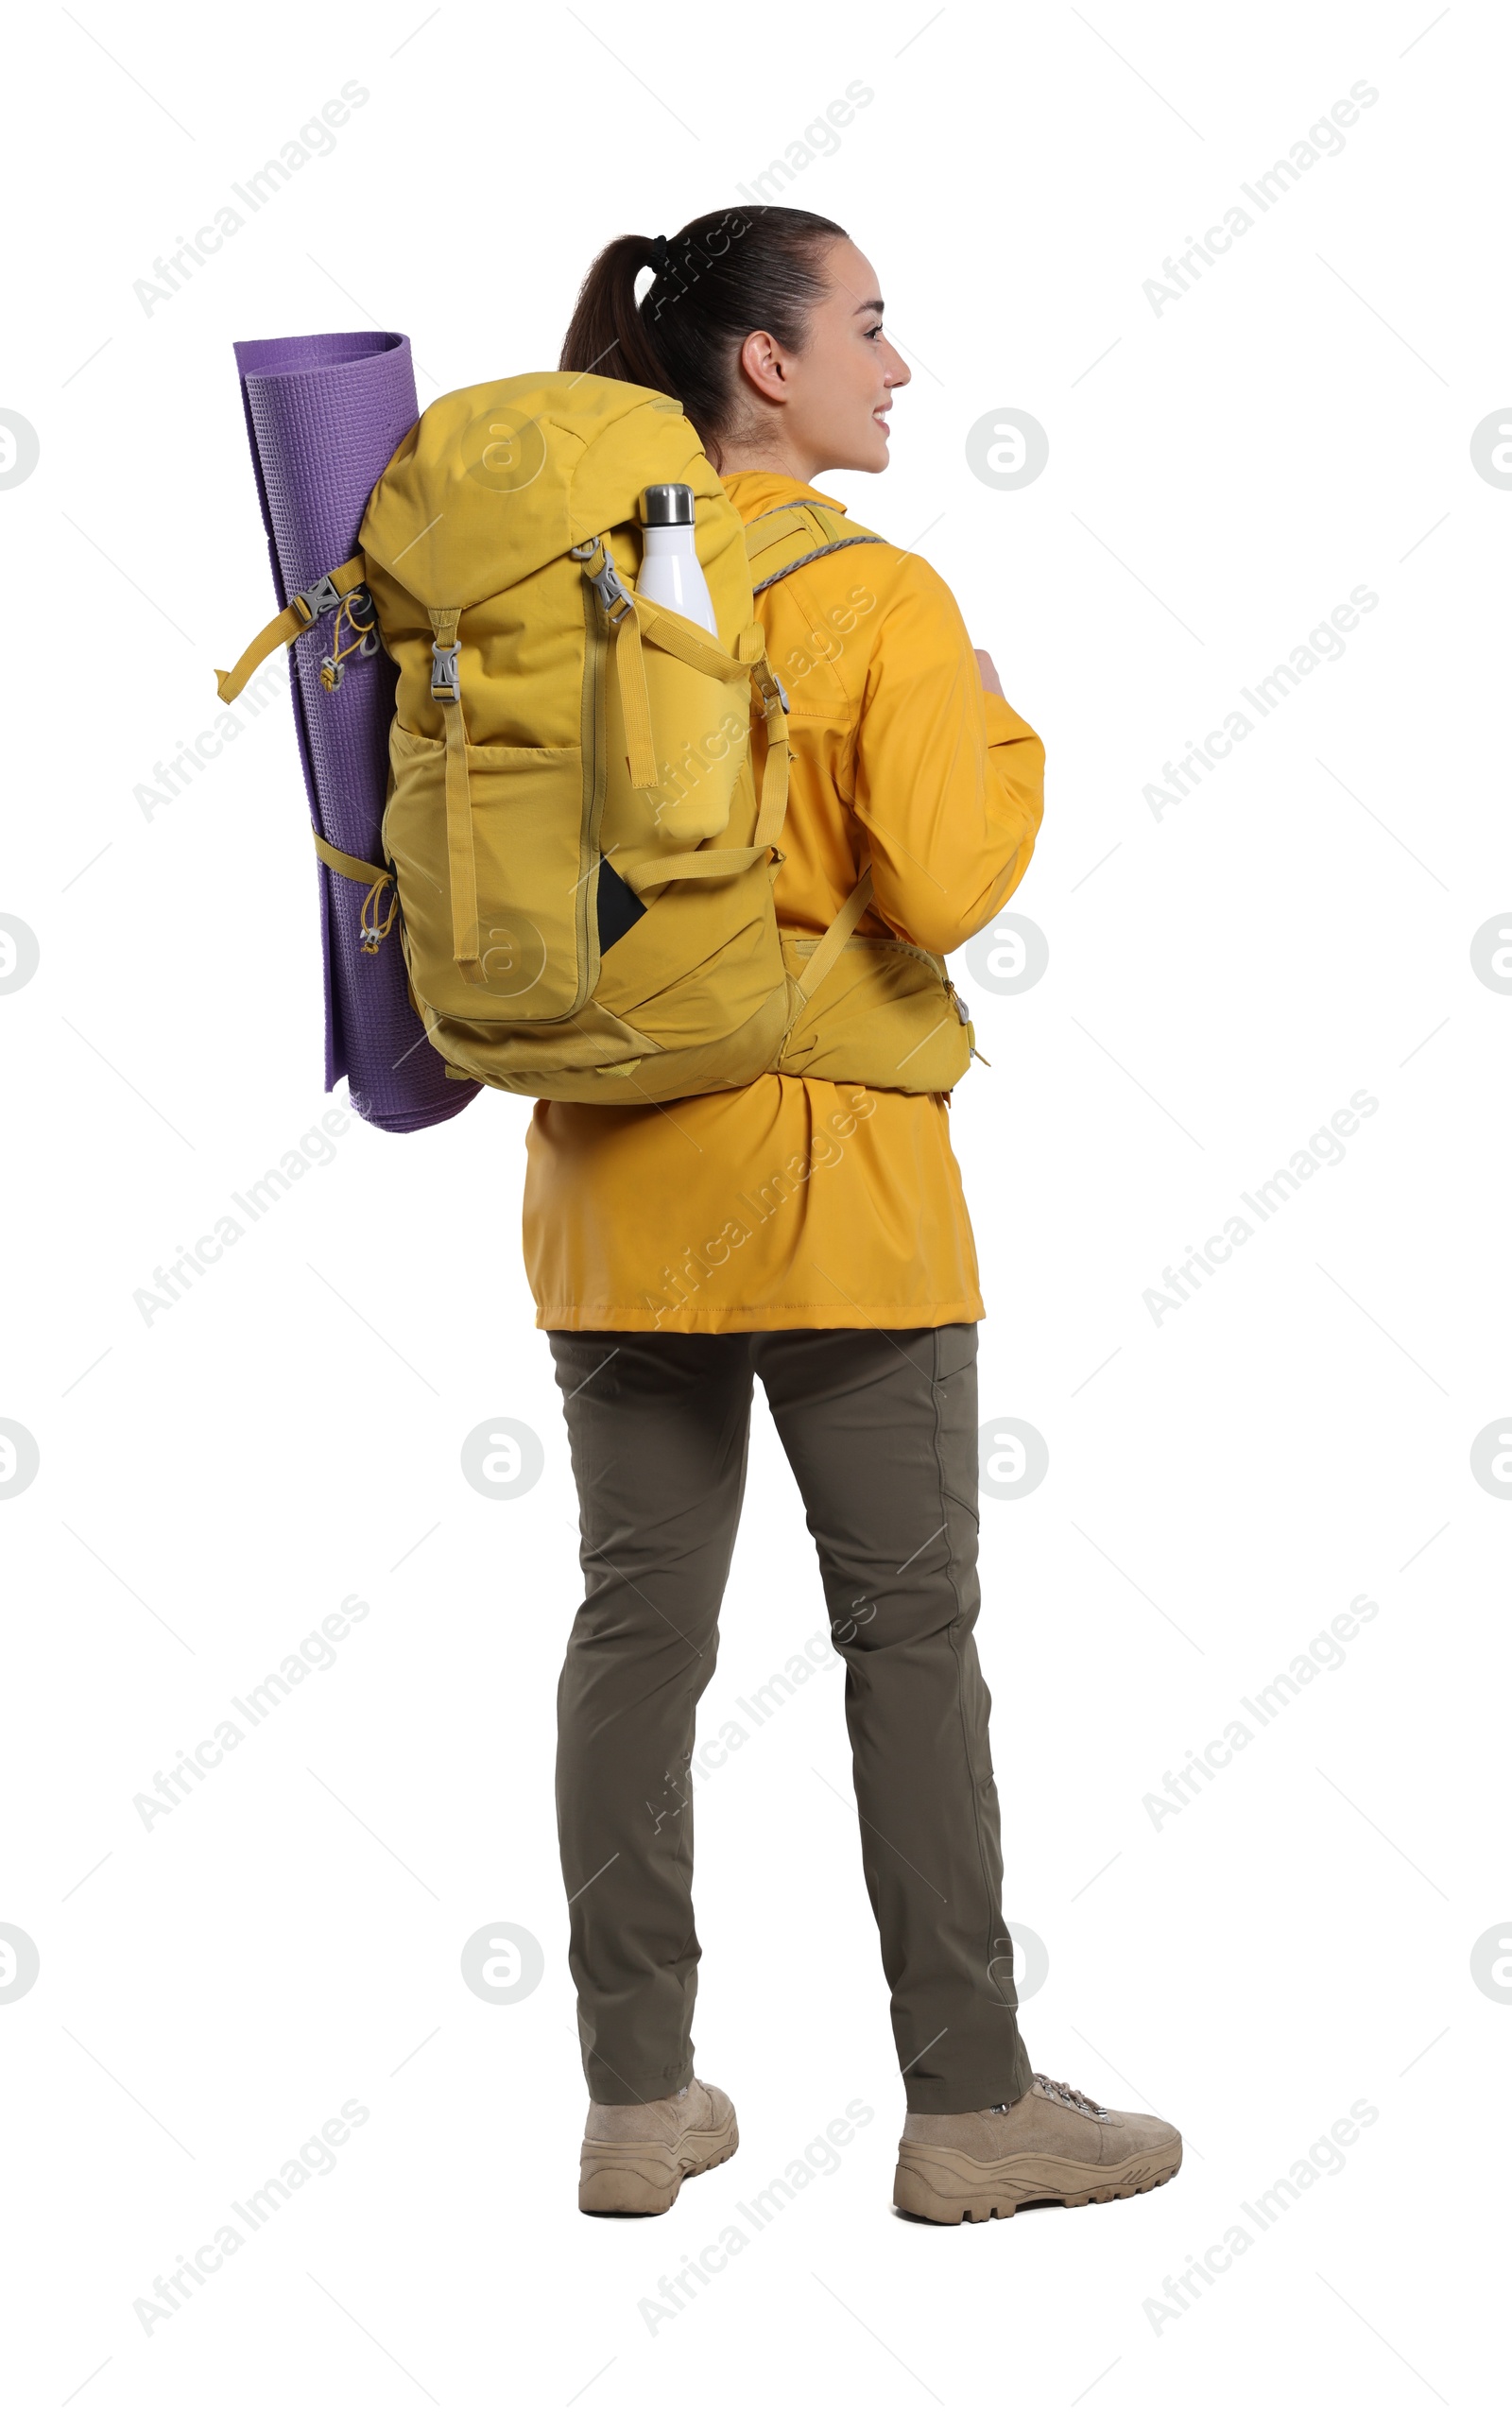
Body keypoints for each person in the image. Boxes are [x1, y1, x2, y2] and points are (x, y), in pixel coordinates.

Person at [527, 206, 1181, 2224]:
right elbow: (947, 880)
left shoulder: (552, 585)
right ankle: (968, 2106)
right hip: (839, 1198)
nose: (896, 366)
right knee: (906, 1636)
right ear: (762, 365)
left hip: (610, 1187)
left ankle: (637, 2098)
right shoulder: (874, 592)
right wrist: (983, 702)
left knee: (638, 1625)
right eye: (868, 327)